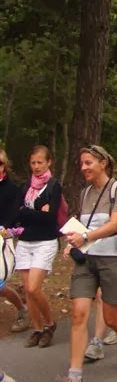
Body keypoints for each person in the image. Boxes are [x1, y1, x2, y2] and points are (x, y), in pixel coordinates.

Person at [54, 145, 117, 382]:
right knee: (78, 314)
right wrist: (73, 242)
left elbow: (115, 225)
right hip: (87, 261)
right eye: (81, 163)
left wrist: (86, 237)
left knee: (110, 318)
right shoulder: (84, 194)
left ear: (103, 163)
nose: (83, 168)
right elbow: (85, 227)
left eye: (88, 163)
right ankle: (74, 378)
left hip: (114, 260)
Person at [15, 145, 61, 348]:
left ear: (48, 162)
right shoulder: (26, 187)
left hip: (45, 241)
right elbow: (17, 214)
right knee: (27, 290)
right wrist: (34, 213)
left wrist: (27, 212)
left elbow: (49, 218)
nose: (36, 166)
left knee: (34, 287)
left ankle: (50, 323)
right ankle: (37, 328)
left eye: (40, 162)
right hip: (25, 241)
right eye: (33, 163)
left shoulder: (53, 186)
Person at [0, 149, 29, 334]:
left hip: (3, 238)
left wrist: (5, 228)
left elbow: (14, 216)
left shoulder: (12, 189)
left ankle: (22, 309)